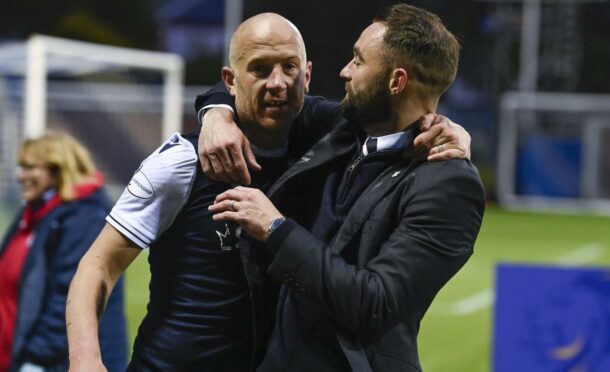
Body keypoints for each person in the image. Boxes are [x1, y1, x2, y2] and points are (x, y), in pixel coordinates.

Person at [66, 12, 470, 372]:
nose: (277, 83)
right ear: (231, 80)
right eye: (259, 69)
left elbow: (398, 121)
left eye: (288, 67)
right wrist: (85, 359)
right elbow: (97, 265)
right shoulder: (182, 162)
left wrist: (452, 132)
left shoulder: (331, 140)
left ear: (307, 76)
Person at [206, 4, 485, 372]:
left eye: (357, 60)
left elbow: (375, 304)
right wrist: (216, 115)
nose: (344, 71)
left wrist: (276, 229)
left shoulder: (447, 185)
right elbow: (251, 88)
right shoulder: (343, 129)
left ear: (396, 81)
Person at [0, 132, 127, 372]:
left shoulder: (84, 217)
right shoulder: (36, 212)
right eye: (20, 167)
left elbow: (70, 298)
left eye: (29, 167)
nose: (20, 175)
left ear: (58, 169)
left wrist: (35, 358)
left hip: (56, 361)